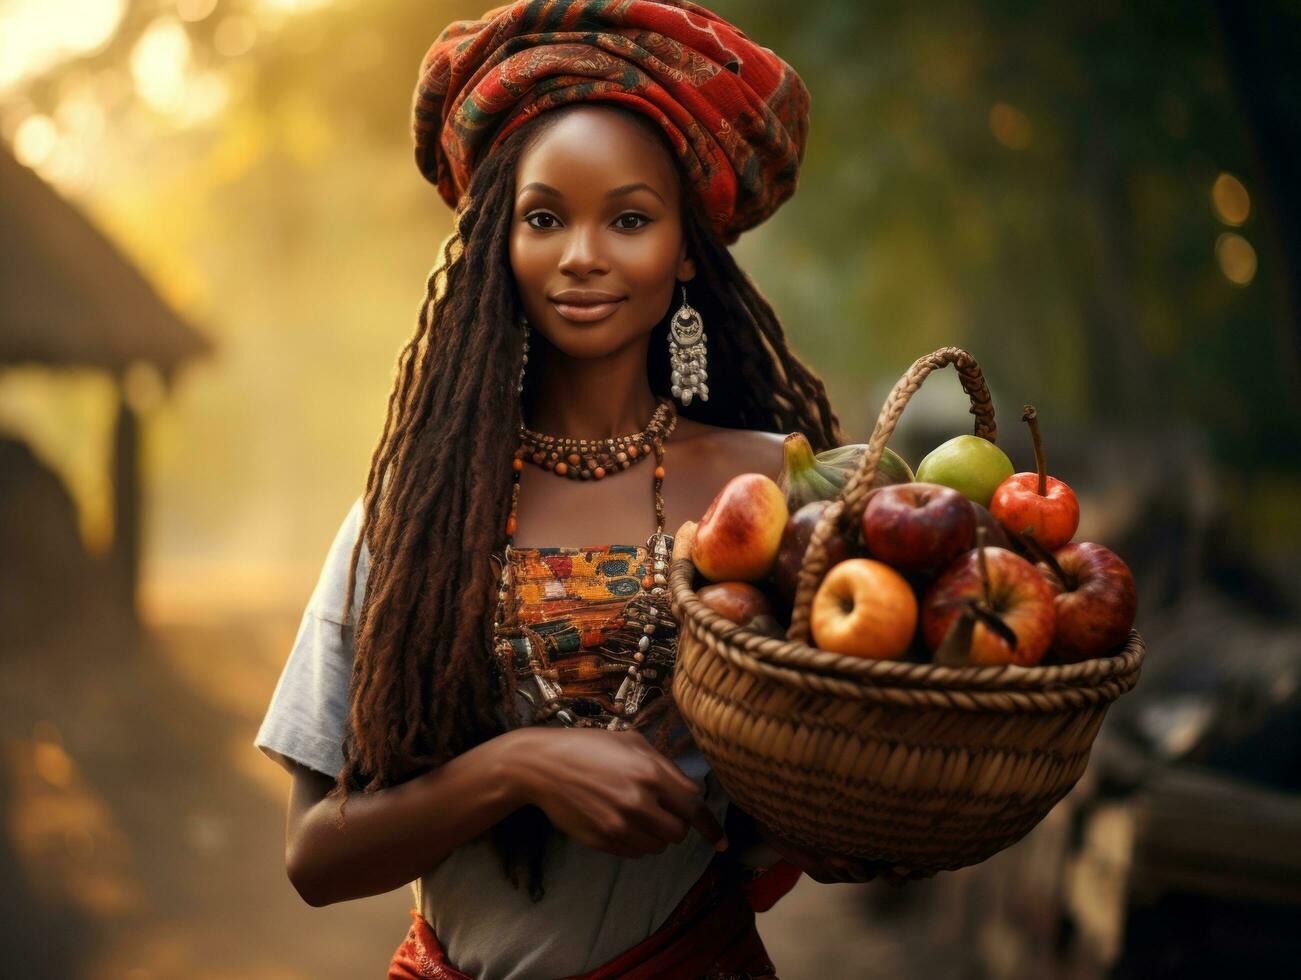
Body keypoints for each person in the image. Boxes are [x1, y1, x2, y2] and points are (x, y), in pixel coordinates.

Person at [254, 2, 870, 976]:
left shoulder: (771, 483)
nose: (583, 253)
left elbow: (851, 770)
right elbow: (314, 853)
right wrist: (517, 767)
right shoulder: (417, 517)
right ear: (501, 242)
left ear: (682, 252)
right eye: (546, 217)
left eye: (628, 217)